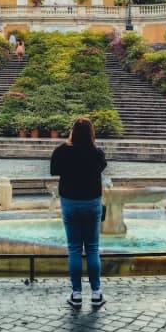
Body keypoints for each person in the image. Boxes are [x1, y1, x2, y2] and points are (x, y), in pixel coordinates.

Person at [50, 117, 107, 309]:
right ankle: (96, 293)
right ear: (91, 133)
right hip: (92, 202)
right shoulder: (96, 152)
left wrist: (67, 145)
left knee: (74, 248)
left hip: (70, 202)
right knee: (92, 248)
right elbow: (101, 167)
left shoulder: (62, 151)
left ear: (72, 131)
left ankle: (76, 294)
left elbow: (54, 170)